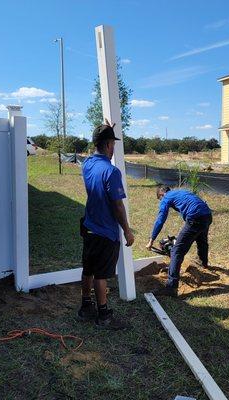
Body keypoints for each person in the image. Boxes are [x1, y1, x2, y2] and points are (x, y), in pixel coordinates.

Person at [76, 122, 135, 330]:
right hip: (105, 231)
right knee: (101, 275)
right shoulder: (112, 172)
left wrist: (105, 129)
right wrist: (127, 230)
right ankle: (104, 316)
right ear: (109, 144)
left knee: (88, 269)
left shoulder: (88, 164)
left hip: (89, 226)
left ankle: (86, 307)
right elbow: (118, 206)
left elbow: (96, 153)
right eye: (113, 144)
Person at [146, 186, 212, 297]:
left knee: (176, 251)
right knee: (201, 240)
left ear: (162, 194)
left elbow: (160, 219)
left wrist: (151, 239)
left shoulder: (166, 198)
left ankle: (171, 287)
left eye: (160, 199)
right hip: (207, 215)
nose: (161, 201)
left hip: (195, 218)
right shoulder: (179, 192)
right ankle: (203, 263)